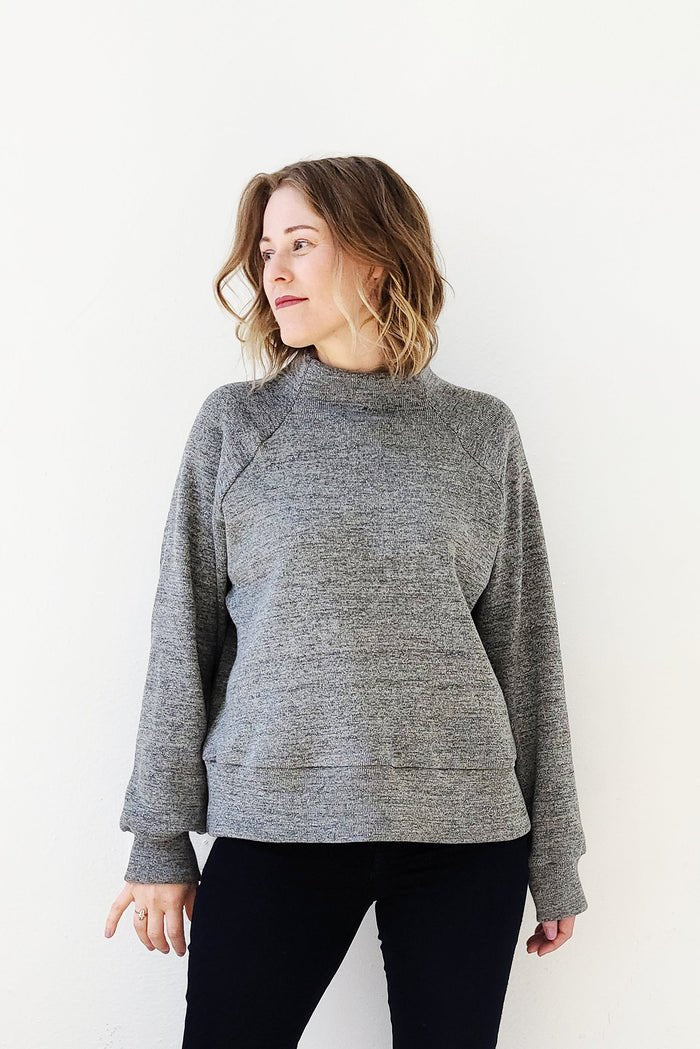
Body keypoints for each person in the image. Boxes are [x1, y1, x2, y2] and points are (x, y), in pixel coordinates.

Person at [104, 156, 588, 1048]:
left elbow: (525, 650)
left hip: (465, 835)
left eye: (301, 244)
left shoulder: (480, 431)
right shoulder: (237, 425)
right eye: (266, 251)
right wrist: (158, 838)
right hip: (275, 822)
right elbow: (181, 636)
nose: (274, 271)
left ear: (376, 257)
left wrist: (555, 857)